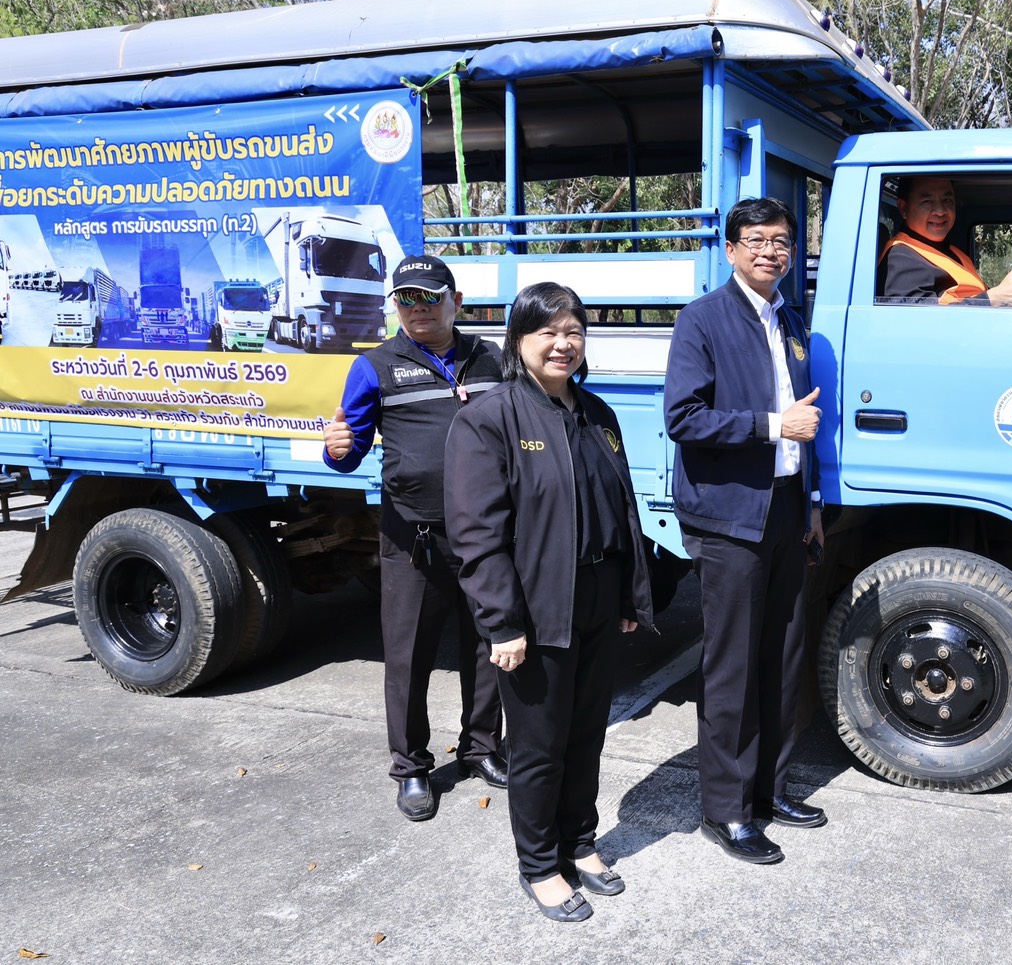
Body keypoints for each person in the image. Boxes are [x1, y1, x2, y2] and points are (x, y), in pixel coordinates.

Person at [445, 282, 651, 923]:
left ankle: (578, 841)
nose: (563, 344)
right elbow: (477, 534)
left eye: (574, 332)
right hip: (535, 610)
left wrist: (628, 594)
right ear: (518, 341)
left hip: (597, 597)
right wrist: (502, 622)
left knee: (587, 733)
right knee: (539, 745)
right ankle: (539, 864)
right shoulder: (490, 418)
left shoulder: (597, 414)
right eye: (548, 332)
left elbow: (621, 510)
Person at [665, 196, 828, 865]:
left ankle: (770, 790)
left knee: (783, 657)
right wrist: (771, 426)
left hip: (786, 508)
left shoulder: (791, 321)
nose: (770, 251)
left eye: (781, 240)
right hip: (730, 515)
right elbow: (684, 417)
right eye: (756, 240)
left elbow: (809, 420)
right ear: (731, 250)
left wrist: (811, 503)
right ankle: (727, 810)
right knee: (732, 666)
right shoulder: (702, 319)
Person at [322, 254, 506, 822]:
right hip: (414, 538)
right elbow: (349, 450)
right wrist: (336, 450)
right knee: (408, 657)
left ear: (456, 302)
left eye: (429, 297)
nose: (417, 308)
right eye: (405, 299)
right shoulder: (375, 366)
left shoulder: (491, 358)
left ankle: (481, 747)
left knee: (489, 646)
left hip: (488, 535)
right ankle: (411, 768)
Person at [880, 175, 1012, 305]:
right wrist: (994, 299)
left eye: (947, 200)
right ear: (903, 208)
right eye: (927, 201)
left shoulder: (955, 253)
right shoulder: (901, 257)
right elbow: (912, 322)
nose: (940, 211)